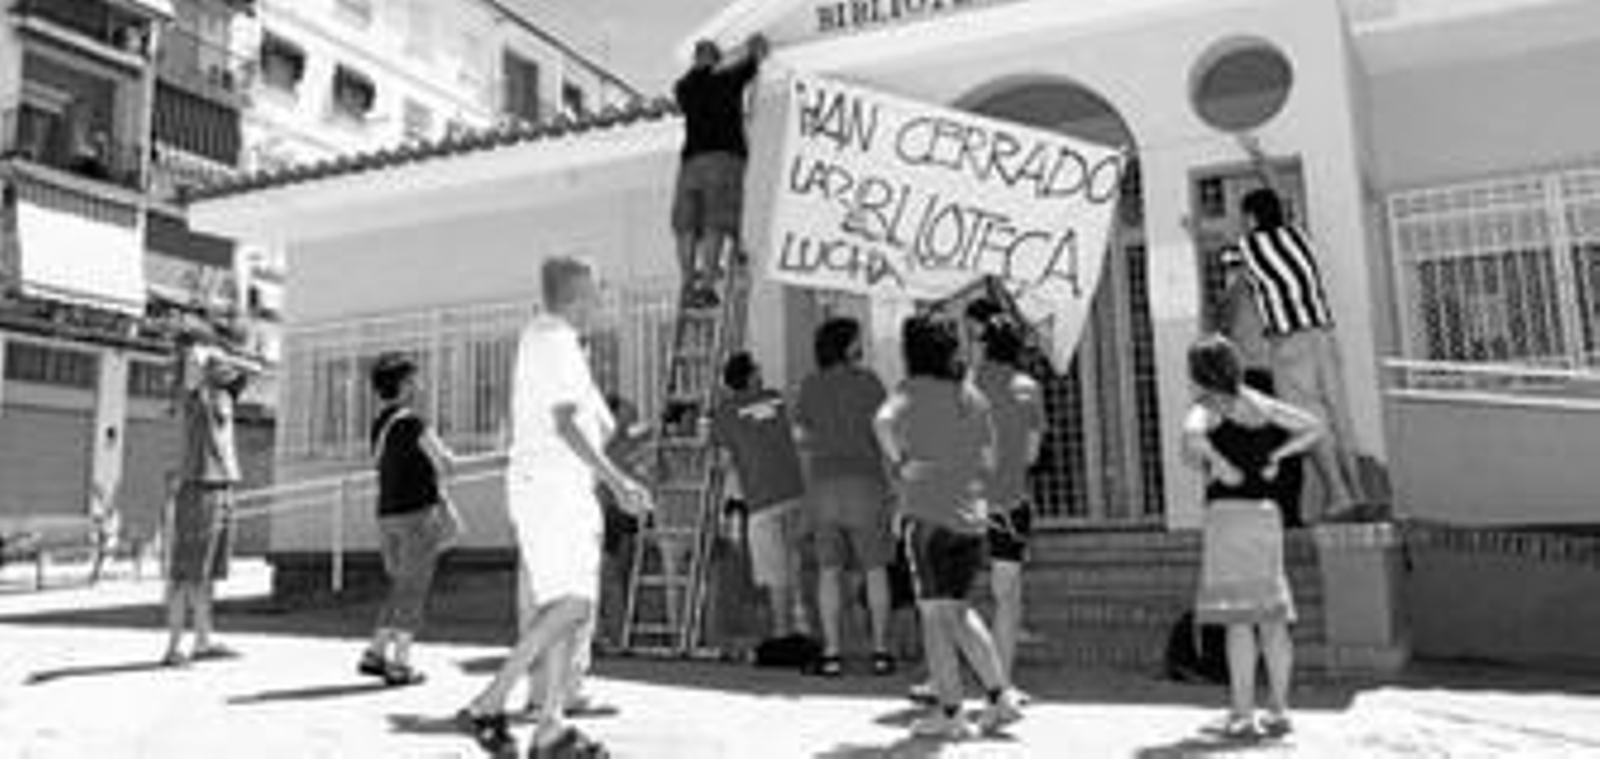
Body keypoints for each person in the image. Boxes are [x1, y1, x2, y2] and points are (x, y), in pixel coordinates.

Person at [457, 257, 652, 758]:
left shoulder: (549, 340)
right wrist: (620, 482)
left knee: (562, 606)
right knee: (574, 606)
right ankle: (489, 700)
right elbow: (566, 426)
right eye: (594, 293)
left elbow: (594, 424)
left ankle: (550, 724)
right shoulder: (556, 340)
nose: (599, 302)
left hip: (552, 487)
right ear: (574, 294)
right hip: (554, 488)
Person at [874, 314, 1025, 740]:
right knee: (960, 610)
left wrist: (904, 462)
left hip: (927, 517)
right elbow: (992, 458)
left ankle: (952, 713)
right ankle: (1000, 696)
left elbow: (882, 422)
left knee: (934, 617)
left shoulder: (910, 391)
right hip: (972, 519)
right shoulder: (971, 395)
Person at [1181, 335, 1324, 739]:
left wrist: (1219, 461)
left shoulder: (1208, 407)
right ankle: (1279, 710)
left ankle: (1242, 713)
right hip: (1267, 517)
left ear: (1199, 373)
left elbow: (1191, 436)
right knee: (1273, 620)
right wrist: (1278, 457)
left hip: (1228, 517)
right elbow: (1314, 426)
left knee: (1238, 621)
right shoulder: (1260, 403)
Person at [1221, 134, 1367, 521]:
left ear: (1250, 218)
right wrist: (1258, 155)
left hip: (1290, 345)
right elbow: (1279, 189)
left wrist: (1192, 229)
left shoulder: (1247, 248)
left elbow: (1223, 256)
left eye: (1244, 217)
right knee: (1340, 415)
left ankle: (1339, 496)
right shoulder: (1299, 235)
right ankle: (1358, 490)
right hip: (1324, 334)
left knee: (1308, 420)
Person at [795, 317, 897, 677]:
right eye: (857, 339)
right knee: (875, 570)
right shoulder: (870, 383)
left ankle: (833, 653)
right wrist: (894, 483)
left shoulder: (810, 386)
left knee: (828, 571)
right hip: (866, 483)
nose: (861, 343)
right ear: (846, 345)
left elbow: (802, 438)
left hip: (824, 486)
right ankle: (881, 651)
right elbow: (887, 434)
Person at [358, 354, 459, 687]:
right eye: (415, 378)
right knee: (413, 589)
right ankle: (400, 663)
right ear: (403, 384)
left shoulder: (379, 424)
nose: (420, 384)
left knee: (401, 584)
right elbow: (445, 463)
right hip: (417, 515)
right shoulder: (414, 422)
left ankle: (375, 652)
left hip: (387, 515)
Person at [162, 330, 255, 667]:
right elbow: (190, 367)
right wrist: (200, 352)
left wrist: (224, 356)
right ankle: (174, 647)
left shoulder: (224, 399)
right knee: (187, 573)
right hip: (198, 487)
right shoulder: (196, 397)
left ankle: (203, 641)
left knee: (208, 574)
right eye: (219, 366)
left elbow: (247, 373)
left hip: (223, 487)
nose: (227, 370)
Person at [711, 352, 809, 641]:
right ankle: (802, 627)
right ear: (751, 376)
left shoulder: (725, 412)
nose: (762, 372)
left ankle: (783, 634)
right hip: (795, 491)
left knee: (776, 571)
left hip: (762, 500)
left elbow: (723, 461)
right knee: (794, 563)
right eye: (758, 369)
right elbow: (792, 431)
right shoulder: (775, 399)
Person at [671, 34, 769, 290]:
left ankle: (688, 282)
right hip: (723, 159)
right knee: (715, 220)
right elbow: (755, 56)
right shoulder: (727, 79)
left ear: (695, 61)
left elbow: (698, 75)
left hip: (690, 164)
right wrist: (749, 51)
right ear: (715, 60)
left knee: (686, 225)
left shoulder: (683, 88)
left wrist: (715, 61)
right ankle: (706, 288)